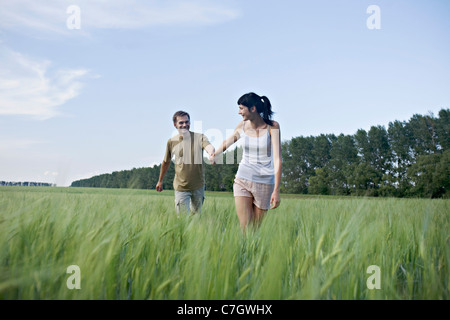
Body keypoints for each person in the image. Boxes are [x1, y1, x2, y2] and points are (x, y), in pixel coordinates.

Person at [211, 93, 282, 231]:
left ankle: (252, 252)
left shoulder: (272, 127)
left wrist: (277, 190)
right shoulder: (243, 125)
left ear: (253, 108)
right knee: (245, 228)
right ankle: (243, 252)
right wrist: (216, 154)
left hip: (264, 182)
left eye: (241, 108)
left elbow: (277, 159)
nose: (239, 112)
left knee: (254, 230)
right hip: (243, 178)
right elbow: (229, 141)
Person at [156, 111, 215, 214]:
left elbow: (209, 146)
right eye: (181, 123)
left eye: (187, 122)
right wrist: (160, 180)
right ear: (175, 125)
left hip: (198, 186)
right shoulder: (171, 142)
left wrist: (211, 154)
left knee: (196, 217)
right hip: (181, 187)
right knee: (183, 219)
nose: (185, 125)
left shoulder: (199, 137)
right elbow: (166, 162)